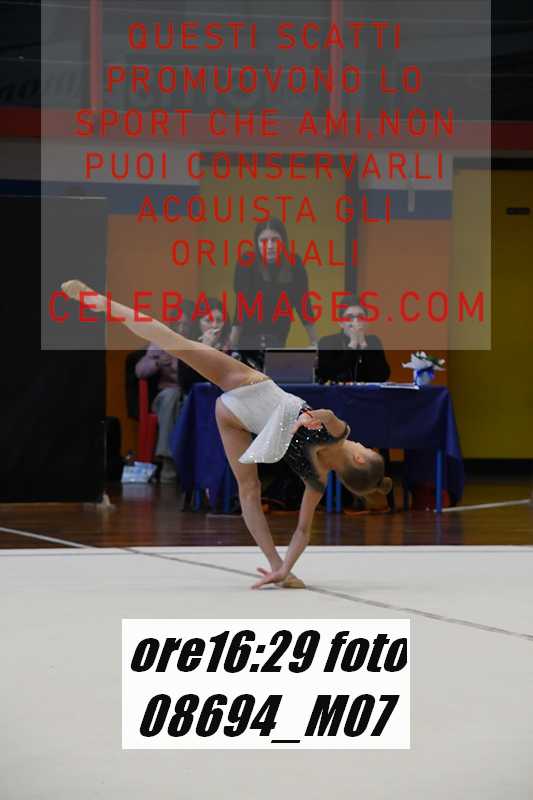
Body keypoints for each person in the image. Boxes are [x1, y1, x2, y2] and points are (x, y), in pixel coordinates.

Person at [61, 279, 392, 590]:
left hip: (251, 390)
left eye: (365, 448)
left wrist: (306, 421)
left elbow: (327, 416)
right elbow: (302, 532)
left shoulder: (338, 434)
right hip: (236, 416)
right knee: (248, 490)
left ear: (359, 458)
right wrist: (285, 566)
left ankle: (102, 303)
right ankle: (276, 566)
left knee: (174, 342)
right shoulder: (317, 481)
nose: (362, 443)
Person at [228, 217, 318, 351]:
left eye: (275, 240)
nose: (270, 246)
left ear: (283, 241)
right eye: (263, 240)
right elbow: (242, 307)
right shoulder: (247, 262)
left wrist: (315, 342)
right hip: (248, 337)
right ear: (257, 243)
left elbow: (303, 304)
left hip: (278, 336)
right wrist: (232, 346)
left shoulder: (294, 263)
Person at [134, 303, 194, 483]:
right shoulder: (161, 342)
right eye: (178, 325)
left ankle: (193, 467)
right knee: (171, 397)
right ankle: (168, 463)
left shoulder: (196, 342)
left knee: (193, 400)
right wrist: (158, 362)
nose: (181, 329)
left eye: (185, 325)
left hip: (190, 393)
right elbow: (140, 371)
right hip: (166, 395)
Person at [317, 301, 390, 384]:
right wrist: (352, 345)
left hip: (367, 392)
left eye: (360, 317)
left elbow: (382, 376)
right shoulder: (327, 342)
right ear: (341, 323)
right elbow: (325, 375)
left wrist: (363, 344)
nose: (356, 322)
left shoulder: (373, 341)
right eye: (349, 318)